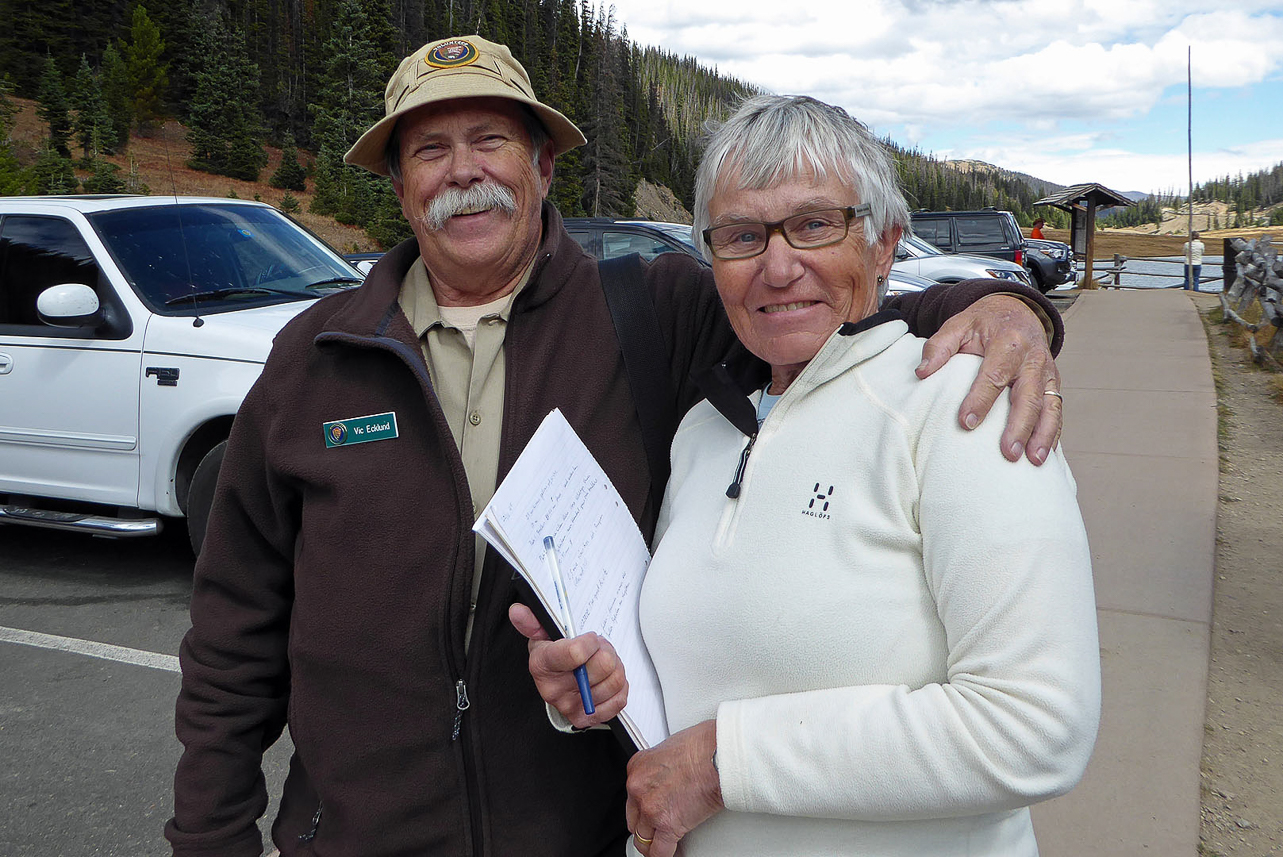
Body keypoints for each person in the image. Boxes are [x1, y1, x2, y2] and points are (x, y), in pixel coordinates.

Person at [165, 36, 1067, 857]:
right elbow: (235, 625)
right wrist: (209, 832)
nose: (461, 171)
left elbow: (819, 302)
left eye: (491, 140)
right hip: (355, 836)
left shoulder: (647, 311)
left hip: (578, 836)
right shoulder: (313, 357)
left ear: (544, 164)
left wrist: (1003, 309)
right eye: (428, 150)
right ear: (398, 185)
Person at [518, 95, 1100, 857]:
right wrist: (600, 687)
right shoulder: (702, 432)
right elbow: (706, 670)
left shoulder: (965, 402)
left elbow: (1036, 723)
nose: (778, 264)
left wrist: (725, 764)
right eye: (741, 236)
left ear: (884, 244)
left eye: (815, 224)